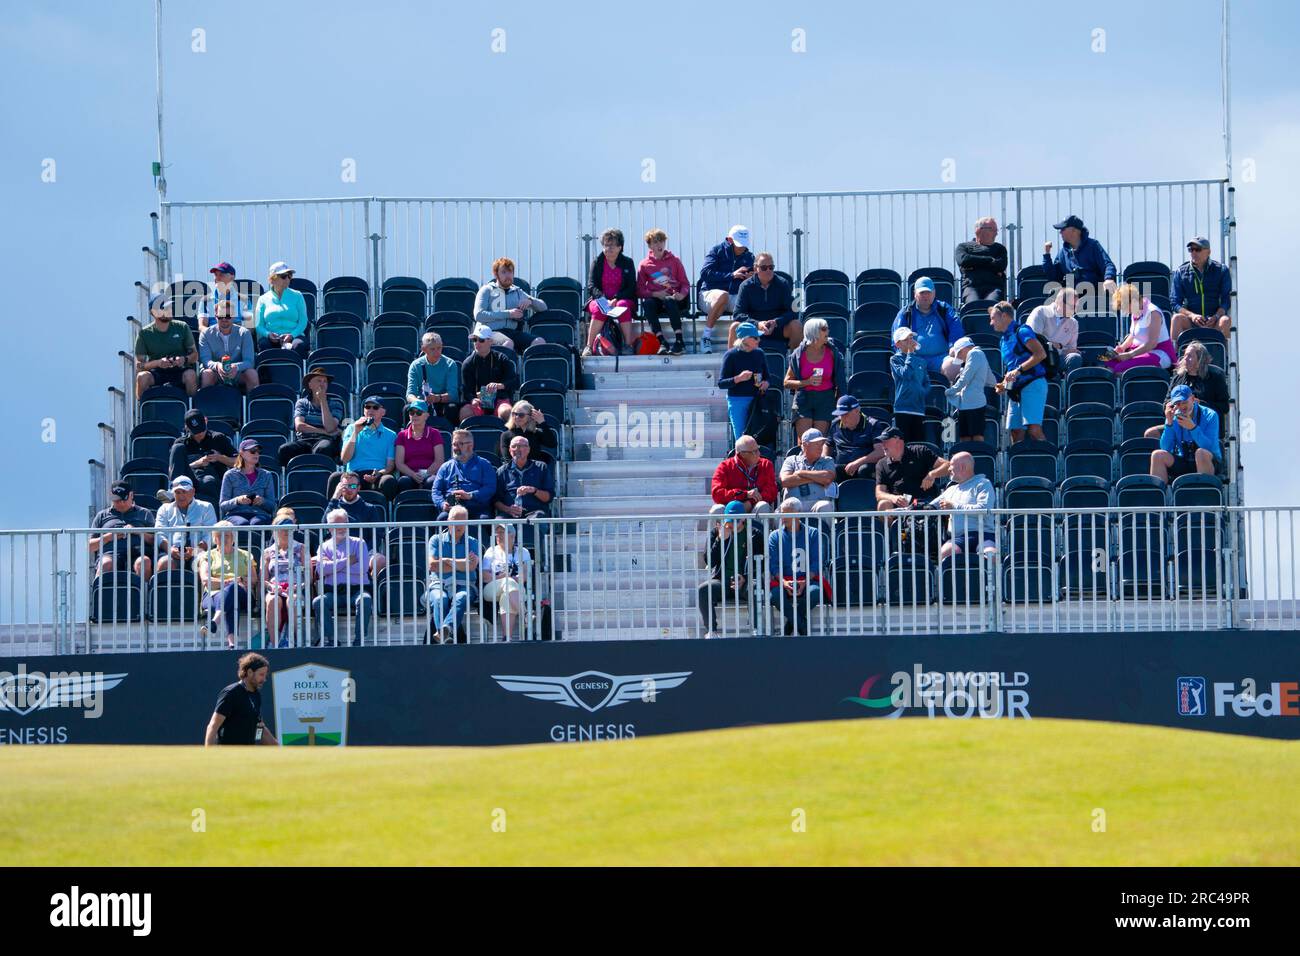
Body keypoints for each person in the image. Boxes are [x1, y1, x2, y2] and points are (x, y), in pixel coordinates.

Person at [310, 509, 375, 647]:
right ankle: (332, 640)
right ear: (328, 527)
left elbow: (362, 569)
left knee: (365, 599)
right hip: (333, 592)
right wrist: (347, 561)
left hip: (357, 590)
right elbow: (321, 570)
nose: (341, 527)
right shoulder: (324, 546)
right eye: (336, 524)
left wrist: (332, 566)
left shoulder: (359, 543)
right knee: (318, 602)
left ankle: (359, 641)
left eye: (344, 523)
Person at [698, 501, 761, 639]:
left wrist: (745, 577)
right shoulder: (717, 532)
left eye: (736, 521)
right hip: (722, 581)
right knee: (703, 590)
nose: (732, 524)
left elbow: (761, 563)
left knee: (755, 587)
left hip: (745, 581)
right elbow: (709, 561)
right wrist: (720, 540)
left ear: (743, 519)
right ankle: (712, 631)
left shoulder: (754, 534)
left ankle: (755, 629)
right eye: (729, 520)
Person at [766, 498, 828, 637]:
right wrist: (783, 582)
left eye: (787, 515)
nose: (783, 518)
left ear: (798, 515)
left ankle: (790, 626)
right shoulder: (774, 536)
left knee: (815, 592)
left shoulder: (813, 534)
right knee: (775, 595)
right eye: (782, 514)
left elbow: (817, 562)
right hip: (784, 580)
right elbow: (773, 565)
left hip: (808, 579)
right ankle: (802, 626)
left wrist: (805, 581)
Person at [990, 301, 1049, 444]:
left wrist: (1018, 370)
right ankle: (1022, 465)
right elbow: (1012, 368)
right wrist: (1004, 384)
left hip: (1033, 384)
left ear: (1004, 316)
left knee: (1034, 430)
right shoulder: (1003, 340)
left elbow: (1040, 354)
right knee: (1015, 432)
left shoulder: (1022, 331)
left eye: (992, 318)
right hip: (1015, 390)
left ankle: (1047, 461)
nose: (990, 323)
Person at [1144, 341, 1230, 439]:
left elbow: (1224, 407)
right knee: (1150, 434)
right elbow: (1166, 402)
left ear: (1200, 359)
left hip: (1204, 426)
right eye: (1184, 356)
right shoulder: (1178, 377)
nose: (1185, 359)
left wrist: (1200, 404)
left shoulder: (1215, 377)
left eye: (1189, 356)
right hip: (1179, 425)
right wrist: (1172, 406)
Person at [425, 505, 482, 643]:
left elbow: (472, 566)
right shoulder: (436, 539)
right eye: (456, 521)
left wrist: (447, 561)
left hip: (465, 584)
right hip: (438, 584)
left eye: (463, 522)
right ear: (449, 521)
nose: (459, 526)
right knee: (440, 599)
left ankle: (444, 631)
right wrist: (461, 564)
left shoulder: (473, 542)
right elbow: (432, 566)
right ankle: (445, 634)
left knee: (461, 597)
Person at [197, 521, 257, 649]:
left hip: (243, 595)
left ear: (233, 537)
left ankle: (214, 622)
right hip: (213, 596)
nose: (223, 538)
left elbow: (254, 579)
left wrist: (239, 581)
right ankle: (232, 644)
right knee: (231, 594)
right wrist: (229, 582)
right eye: (219, 535)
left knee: (233, 590)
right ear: (214, 538)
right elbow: (205, 580)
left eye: (227, 535)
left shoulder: (246, 555)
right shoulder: (207, 556)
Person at [698, 225, 754, 355]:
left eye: (744, 245)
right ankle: (706, 336)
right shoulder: (716, 251)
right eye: (739, 244)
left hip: (733, 296)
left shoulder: (749, 256)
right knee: (722, 295)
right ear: (729, 240)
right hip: (709, 295)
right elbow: (705, 273)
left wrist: (751, 278)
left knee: (751, 302)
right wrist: (732, 275)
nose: (742, 248)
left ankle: (747, 341)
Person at [891, 277, 963, 378]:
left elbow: (956, 329)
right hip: (915, 358)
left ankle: (950, 393)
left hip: (941, 358)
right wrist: (906, 357)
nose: (925, 296)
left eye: (928, 292)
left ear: (934, 293)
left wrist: (953, 347)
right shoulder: (905, 313)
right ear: (915, 294)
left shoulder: (944, 309)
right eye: (922, 293)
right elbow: (897, 339)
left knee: (953, 365)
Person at [324, 472, 389, 582]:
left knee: (380, 560)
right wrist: (335, 496)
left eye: (353, 486)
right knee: (316, 561)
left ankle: (370, 589)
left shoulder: (370, 509)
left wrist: (360, 552)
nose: (349, 489)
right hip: (337, 550)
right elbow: (324, 527)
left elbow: (376, 536)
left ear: (358, 488)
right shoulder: (334, 507)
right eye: (345, 486)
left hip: (365, 550)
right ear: (340, 487)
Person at [785, 317, 845, 437]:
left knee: (819, 441)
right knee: (804, 441)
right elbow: (786, 382)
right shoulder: (798, 354)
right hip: (803, 399)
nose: (828, 331)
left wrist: (840, 401)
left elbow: (840, 381)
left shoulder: (833, 352)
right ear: (813, 332)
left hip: (825, 399)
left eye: (827, 328)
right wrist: (807, 382)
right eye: (824, 328)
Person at [582, 229, 638, 356]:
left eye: (612, 245)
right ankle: (589, 347)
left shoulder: (627, 263)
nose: (609, 248)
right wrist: (603, 299)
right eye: (606, 245)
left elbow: (631, 287)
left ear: (620, 247)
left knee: (623, 307)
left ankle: (628, 346)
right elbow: (591, 285)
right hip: (600, 299)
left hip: (622, 299)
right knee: (599, 308)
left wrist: (616, 298)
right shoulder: (597, 262)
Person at [729, 251, 800, 351]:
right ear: (755, 268)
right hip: (753, 329)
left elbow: (793, 312)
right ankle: (733, 364)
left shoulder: (783, 284)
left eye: (771, 267)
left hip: (777, 328)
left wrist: (776, 322)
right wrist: (757, 324)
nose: (768, 271)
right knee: (734, 327)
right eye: (764, 268)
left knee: (796, 325)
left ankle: (793, 364)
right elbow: (738, 314)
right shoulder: (746, 286)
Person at [473, 257, 548, 351]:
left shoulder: (517, 292)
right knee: (508, 343)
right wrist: (509, 314)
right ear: (496, 274)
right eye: (504, 272)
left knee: (539, 341)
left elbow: (544, 307)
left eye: (510, 272)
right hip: (488, 333)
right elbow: (479, 315)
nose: (508, 275)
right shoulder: (486, 290)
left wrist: (530, 301)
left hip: (512, 332)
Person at [260, 509, 310, 649]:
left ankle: (295, 641)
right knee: (272, 600)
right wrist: (272, 587)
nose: (287, 532)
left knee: (292, 599)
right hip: (275, 588)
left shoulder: (301, 548)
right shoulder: (267, 552)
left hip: (296, 588)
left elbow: (309, 577)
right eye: (283, 529)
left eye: (289, 529)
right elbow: (263, 579)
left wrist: (298, 586)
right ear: (276, 531)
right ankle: (275, 644)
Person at [204, 653, 277, 746]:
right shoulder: (231, 693)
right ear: (250, 672)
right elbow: (213, 726)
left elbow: (259, 727)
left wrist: (277, 748)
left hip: (247, 755)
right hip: (228, 754)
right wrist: (209, 754)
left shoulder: (256, 695)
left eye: (265, 675)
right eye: (261, 675)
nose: (264, 679)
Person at [1151, 385, 1221, 482]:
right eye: (1178, 403)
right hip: (1184, 460)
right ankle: (1158, 495)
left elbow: (1210, 447)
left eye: (1184, 402)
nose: (1182, 406)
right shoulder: (1173, 416)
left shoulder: (1210, 415)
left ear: (1192, 399)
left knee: (1200, 453)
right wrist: (1169, 423)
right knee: (1157, 455)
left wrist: (1193, 428)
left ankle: (1204, 493)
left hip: (1208, 461)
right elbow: (1165, 448)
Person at [934, 452, 997, 561]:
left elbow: (983, 509)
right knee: (944, 553)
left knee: (992, 556)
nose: (949, 469)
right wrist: (909, 508)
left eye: (951, 465)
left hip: (984, 535)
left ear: (962, 467)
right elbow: (931, 507)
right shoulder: (950, 490)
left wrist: (954, 506)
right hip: (959, 538)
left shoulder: (983, 484)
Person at [333, 397, 398, 501]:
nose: (370, 410)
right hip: (354, 475)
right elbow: (345, 459)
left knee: (388, 481)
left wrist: (379, 474)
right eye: (367, 407)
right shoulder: (351, 428)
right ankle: (332, 514)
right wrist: (356, 432)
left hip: (378, 474)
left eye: (375, 407)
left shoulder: (391, 435)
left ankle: (387, 515)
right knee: (335, 478)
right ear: (364, 410)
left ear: (383, 412)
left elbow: (390, 465)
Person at [1042, 215, 1117, 305]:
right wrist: (1047, 254)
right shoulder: (1062, 253)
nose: (1060, 233)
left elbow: (1108, 265)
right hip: (1073, 301)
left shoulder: (1093, 246)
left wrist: (1109, 279)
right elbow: (1053, 276)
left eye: (1063, 229)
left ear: (1074, 230)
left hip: (1095, 297)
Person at [1101, 283, 1176, 374]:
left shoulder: (1153, 313)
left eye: (1123, 306)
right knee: (1104, 359)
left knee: (1120, 368)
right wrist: (1121, 348)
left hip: (1160, 353)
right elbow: (1133, 335)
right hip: (1138, 351)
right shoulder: (1136, 311)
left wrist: (1129, 355)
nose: (1123, 310)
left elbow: (1151, 344)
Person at [637, 228, 690, 354]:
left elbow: (685, 283)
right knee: (647, 304)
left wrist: (682, 294)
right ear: (649, 245)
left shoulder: (675, 260)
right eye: (655, 242)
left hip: (674, 299)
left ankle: (679, 341)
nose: (659, 244)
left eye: (661, 241)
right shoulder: (644, 264)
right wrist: (655, 294)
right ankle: (661, 341)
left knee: (669, 300)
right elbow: (639, 290)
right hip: (657, 300)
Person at [1170, 236, 1233, 343]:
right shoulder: (1181, 272)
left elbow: (1226, 300)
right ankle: (1174, 357)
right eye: (1191, 250)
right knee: (1176, 319)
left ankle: (1224, 356)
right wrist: (1192, 316)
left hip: (1214, 322)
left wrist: (1216, 316)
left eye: (1198, 249)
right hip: (1191, 322)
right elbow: (1174, 302)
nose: (1193, 253)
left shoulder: (1221, 270)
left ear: (1208, 252)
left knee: (1225, 320)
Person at [134, 294, 198, 399]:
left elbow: (195, 355)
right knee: (142, 377)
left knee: (191, 375)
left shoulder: (182, 327)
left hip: (180, 371)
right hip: (156, 372)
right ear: (153, 312)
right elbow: (139, 366)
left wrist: (183, 359)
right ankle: (142, 411)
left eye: (169, 307)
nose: (169, 310)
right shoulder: (144, 333)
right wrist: (158, 363)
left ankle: (194, 411)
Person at [167, 410, 236, 505]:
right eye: (195, 431)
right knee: (177, 447)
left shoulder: (218, 438)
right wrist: (197, 464)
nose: (199, 434)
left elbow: (238, 462)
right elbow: (172, 469)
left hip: (211, 477)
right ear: (187, 427)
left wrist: (219, 457)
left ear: (206, 421)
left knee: (209, 482)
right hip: (188, 478)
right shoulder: (181, 442)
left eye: (201, 429)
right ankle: (173, 490)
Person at [280, 367, 347, 466]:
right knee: (284, 449)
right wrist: (324, 431)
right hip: (304, 440)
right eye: (319, 380)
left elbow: (330, 427)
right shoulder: (302, 402)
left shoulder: (335, 404)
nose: (322, 383)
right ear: (310, 385)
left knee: (323, 448)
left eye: (325, 381)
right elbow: (299, 426)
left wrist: (323, 401)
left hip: (325, 440)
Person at [89, 482, 155, 580]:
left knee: (144, 562)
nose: (121, 503)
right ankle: (101, 594)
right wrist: (109, 537)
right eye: (117, 500)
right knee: (105, 564)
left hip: (138, 553)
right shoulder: (102, 516)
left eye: (124, 499)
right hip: (110, 554)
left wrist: (138, 531)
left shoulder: (145, 513)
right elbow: (90, 546)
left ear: (131, 495)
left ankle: (143, 594)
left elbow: (154, 540)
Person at [874, 427, 950, 512]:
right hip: (900, 508)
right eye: (882, 441)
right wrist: (893, 498)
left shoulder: (919, 451)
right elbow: (879, 493)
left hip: (925, 503)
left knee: (946, 502)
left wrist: (932, 475)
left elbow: (948, 466)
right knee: (883, 504)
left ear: (898, 440)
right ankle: (892, 526)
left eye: (885, 441)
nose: (882, 445)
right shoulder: (881, 464)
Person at [153, 475, 216, 575]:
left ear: (193, 491)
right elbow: (159, 534)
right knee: (164, 563)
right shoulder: (164, 509)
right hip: (172, 553)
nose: (181, 496)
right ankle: (161, 591)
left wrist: (195, 550)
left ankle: (201, 591)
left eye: (184, 492)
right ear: (173, 493)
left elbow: (210, 534)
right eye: (177, 492)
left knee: (202, 563)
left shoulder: (206, 507)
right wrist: (170, 550)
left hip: (199, 552)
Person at [718, 322, 770, 443]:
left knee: (759, 437)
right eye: (756, 337)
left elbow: (768, 376)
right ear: (745, 339)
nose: (759, 340)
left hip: (757, 400)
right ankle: (741, 461)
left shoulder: (759, 353)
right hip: (737, 400)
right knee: (742, 439)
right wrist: (738, 378)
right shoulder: (730, 355)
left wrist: (766, 383)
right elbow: (721, 383)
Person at [480, 523, 532, 641]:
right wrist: (502, 577)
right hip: (491, 588)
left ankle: (506, 638)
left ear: (512, 536)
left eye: (502, 532)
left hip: (515, 589)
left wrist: (509, 578)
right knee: (507, 583)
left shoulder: (522, 552)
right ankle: (525, 614)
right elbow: (485, 577)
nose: (498, 535)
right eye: (497, 533)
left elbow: (524, 577)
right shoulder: (491, 551)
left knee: (506, 597)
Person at [431, 429, 497, 521]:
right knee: (442, 519)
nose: (455, 448)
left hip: (477, 508)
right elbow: (436, 490)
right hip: (452, 509)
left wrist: (470, 495)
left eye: (460, 444)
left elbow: (490, 488)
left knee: (484, 520)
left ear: (470, 446)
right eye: (454, 444)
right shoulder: (445, 467)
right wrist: (442, 504)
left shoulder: (484, 465)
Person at [460, 324, 520, 422]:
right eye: (474, 340)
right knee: (465, 413)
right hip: (478, 401)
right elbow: (466, 390)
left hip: (499, 400)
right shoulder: (468, 363)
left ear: (490, 341)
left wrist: (500, 385)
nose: (477, 343)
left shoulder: (502, 358)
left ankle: (506, 437)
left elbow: (515, 381)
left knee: (506, 412)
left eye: (481, 340)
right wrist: (472, 400)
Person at [198, 299, 259, 391]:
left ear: (234, 316)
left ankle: (252, 404)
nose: (224, 319)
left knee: (252, 374)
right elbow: (205, 360)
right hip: (216, 373)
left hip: (238, 373)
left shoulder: (244, 333)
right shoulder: (206, 334)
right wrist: (218, 366)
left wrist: (236, 367)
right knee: (207, 374)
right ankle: (204, 404)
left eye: (228, 316)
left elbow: (249, 361)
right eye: (220, 316)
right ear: (215, 316)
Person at [944, 337, 997, 444]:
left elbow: (965, 378)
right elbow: (991, 380)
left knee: (975, 437)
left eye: (959, 354)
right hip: (969, 404)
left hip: (972, 404)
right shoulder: (980, 355)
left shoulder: (974, 354)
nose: (960, 358)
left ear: (965, 348)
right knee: (966, 437)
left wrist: (950, 391)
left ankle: (977, 459)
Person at [710, 435, 778, 515]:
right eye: (754, 451)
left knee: (763, 506)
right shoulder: (725, 466)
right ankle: (724, 528)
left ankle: (758, 528)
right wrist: (745, 495)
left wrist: (750, 502)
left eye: (758, 449)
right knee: (717, 509)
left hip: (755, 506)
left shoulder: (766, 464)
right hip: (731, 506)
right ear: (742, 454)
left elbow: (772, 491)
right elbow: (717, 494)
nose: (759, 454)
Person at [254, 261, 309, 360]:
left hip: (295, 336)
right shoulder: (263, 299)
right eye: (284, 276)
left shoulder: (297, 295)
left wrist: (292, 335)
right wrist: (268, 335)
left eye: (289, 275)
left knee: (298, 345)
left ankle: (297, 375)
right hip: (272, 339)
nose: (288, 279)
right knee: (264, 345)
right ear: (273, 279)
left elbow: (303, 322)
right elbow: (259, 325)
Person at [829, 395, 888, 482]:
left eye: (845, 414)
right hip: (841, 467)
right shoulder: (835, 424)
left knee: (864, 469)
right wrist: (824, 461)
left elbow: (881, 452)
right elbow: (828, 445)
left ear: (857, 411)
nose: (842, 418)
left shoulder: (873, 425)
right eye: (840, 414)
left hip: (865, 467)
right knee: (832, 470)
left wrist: (857, 463)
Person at [218, 439, 278, 526]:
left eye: (258, 451)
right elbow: (223, 505)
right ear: (241, 453)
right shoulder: (229, 475)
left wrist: (262, 501)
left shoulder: (266, 475)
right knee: (242, 524)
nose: (256, 454)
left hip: (260, 514)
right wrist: (237, 500)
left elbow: (272, 506)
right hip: (235, 514)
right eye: (253, 451)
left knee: (257, 523)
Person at [1026, 287, 1083, 376]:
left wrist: (1056, 347)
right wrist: (1058, 346)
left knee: (1075, 358)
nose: (1075, 310)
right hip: (1039, 358)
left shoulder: (1073, 323)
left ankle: (1069, 388)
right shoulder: (1041, 312)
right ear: (1060, 303)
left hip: (1057, 358)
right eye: (1072, 306)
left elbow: (1071, 350)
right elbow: (1033, 341)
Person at [779, 428, 838, 514]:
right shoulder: (791, 460)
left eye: (821, 444)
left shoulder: (827, 460)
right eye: (816, 444)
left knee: (826, 506)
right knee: (786, 507)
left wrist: (801, 473)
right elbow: (785, 481)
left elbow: (828, 478)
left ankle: (824, 528)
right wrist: (817, 478)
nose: (820, 447)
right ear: (805, 445)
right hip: (794, 504)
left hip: (818, 503)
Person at [406, 332, 461, 422]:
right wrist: (419, 402)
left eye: (439, 348)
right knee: (407, 409)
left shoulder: (450, 364)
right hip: (422, 403)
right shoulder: (415, 365)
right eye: (432, 349)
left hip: (443, 402)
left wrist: (436, 398)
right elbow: (410, 394)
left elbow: (453, 394)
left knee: (452, 408)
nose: (437, 352)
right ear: (424, 349)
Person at [495, 436, 554, 518]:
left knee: (537, 521)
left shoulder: (541, 467)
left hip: (535, 512)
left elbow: (548, 497)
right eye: (513, 446)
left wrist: (533, 490)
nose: (516, 449)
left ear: (528, 449)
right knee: (499, 524)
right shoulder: (501, 471)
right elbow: (496, 500)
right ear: (509, 450)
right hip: (509, 512)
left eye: (520, 446)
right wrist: (508, 509)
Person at [395, 400, 446, 492]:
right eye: (412, 412)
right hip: (409, 475)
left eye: (419, 412)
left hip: (430, 474)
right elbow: (399, 463)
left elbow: (439, 461)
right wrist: (413, 474)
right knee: (404, 482)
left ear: (426, 416)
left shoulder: (435, 434)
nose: (414, 415)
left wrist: (425, 474)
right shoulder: (402, 435)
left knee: (432, 481)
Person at [955, 217, 1009, 303]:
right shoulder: (963, 247)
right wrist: (990, 260)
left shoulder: (999, 248)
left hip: (994, 287)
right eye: (993, 229)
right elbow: (964, 261)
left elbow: (1001, 265)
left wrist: (973, 263)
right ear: (979, 230)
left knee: (991, 307)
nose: (996, 233)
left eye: (996, 230)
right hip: (971, 287)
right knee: (973, 306)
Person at [890, 326, 929, 443]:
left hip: (919, 408)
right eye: (906, 339)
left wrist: (922, 392)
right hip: (902, 408)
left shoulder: (921, 361)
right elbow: (905, 373)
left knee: (918, 445)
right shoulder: (894, 359)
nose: (910, 341)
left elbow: (926, 382)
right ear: (898, 344)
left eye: (911, 338)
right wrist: (910, 354)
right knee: (903, 445)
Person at [199, 262, 247, 332]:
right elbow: (202, 326)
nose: (217, 278)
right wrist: (214, 336)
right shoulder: (205, 300)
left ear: (232, 277)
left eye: (221, 275)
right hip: (214, 338)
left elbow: (250, 327)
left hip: (237, 339)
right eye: (215, 275)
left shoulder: (244, 300)